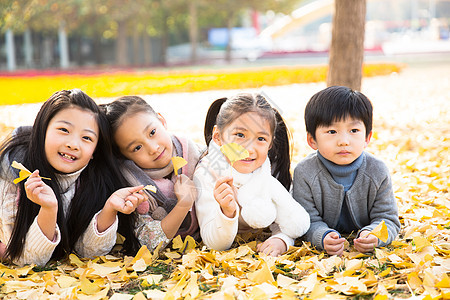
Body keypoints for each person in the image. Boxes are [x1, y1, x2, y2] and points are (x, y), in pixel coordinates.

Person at [0, 89, 146, 267]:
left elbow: (88, 252)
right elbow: (26, 260)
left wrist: (109, 210)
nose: (73, 144)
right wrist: (48, 209)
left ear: (94, 151)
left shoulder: (91, 180)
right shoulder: (14, 176)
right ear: (42, 130)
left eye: (86, 137)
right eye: (64, 130)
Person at [194, 93, 310, 257]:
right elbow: (214, 243)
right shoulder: (207, 174)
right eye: (240, 135)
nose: (249, 149)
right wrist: (227, 212)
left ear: (270, 143)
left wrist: (282, 239)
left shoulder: (267, 168)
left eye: (261, 138)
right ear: (218, 137)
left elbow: (287, 215)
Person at [292, 86, 401, 256]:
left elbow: (388, 219)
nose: (343, 141)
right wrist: (322, 236)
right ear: (312, 140)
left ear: (367, 137)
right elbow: (305, 220)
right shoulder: (305, 172)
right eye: (332, 131)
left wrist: (374, 234)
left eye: (354, 131)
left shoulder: (377, 171)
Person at [102, 96, 201, 251]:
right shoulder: (132, 186)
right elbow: (147, 242)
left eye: (152, 132)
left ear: (161, 121)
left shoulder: (196, 154)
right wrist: (183, 204)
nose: (153, 148)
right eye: (137, 148)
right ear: (124, 157)